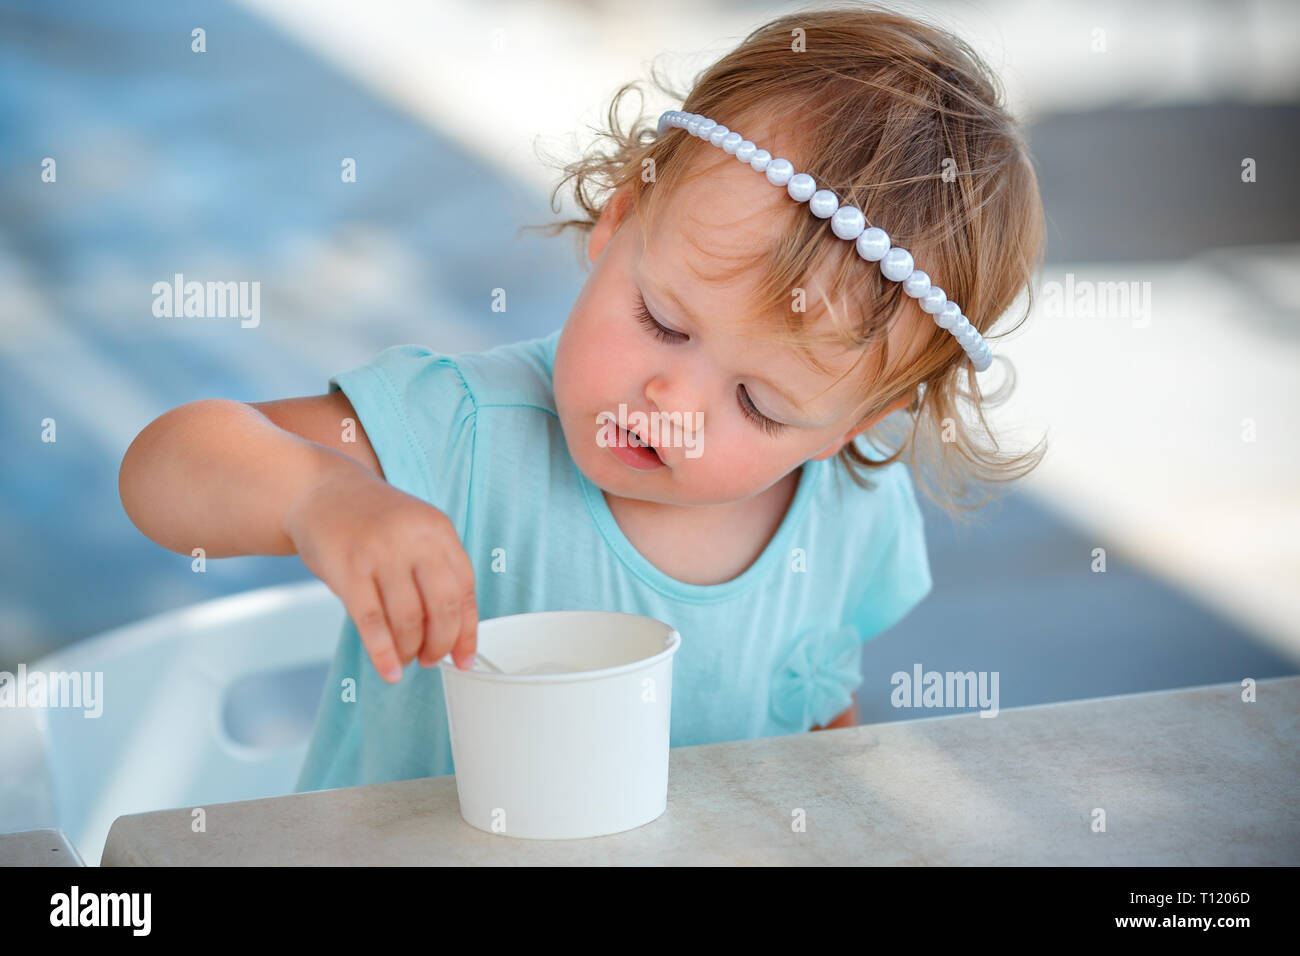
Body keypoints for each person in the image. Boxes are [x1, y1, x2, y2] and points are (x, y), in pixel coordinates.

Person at [118, 3, 1046, 792]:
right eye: (661, 320)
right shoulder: (462, 435)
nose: (668, 393)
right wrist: (318, 492)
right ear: (620, 219)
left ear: (855, 425)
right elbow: (162, 470)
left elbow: (819, 730)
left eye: (760, 404)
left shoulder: (850, 512)